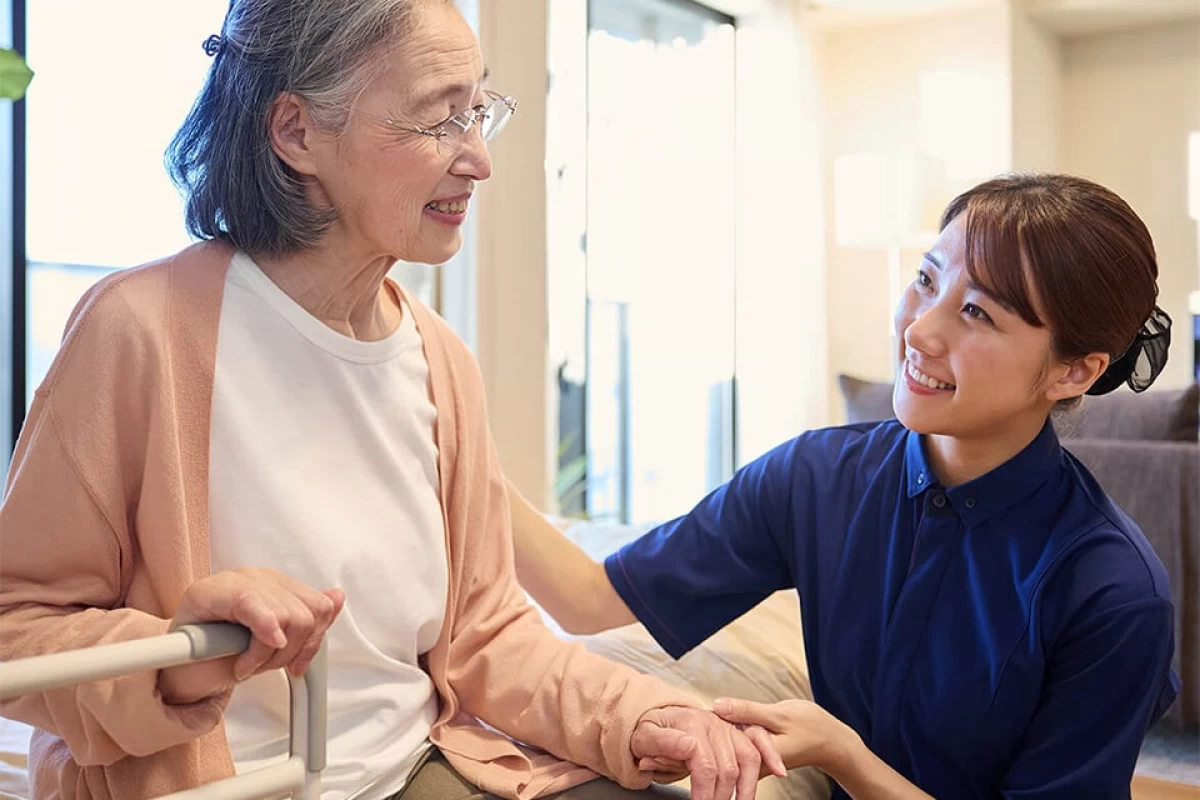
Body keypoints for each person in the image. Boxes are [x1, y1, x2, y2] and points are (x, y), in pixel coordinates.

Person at [0, 2, 785, 799]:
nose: (479, 159)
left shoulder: (441, 361)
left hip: (416, 768)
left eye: (477, 111)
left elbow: (486, 636)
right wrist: (181, 656)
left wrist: (643, 716)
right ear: (297, 132)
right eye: (438, 120)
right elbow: (14, 630)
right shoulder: (137, 332)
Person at [511, 173, 1181, 799]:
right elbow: (589, 600)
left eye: (977, 313)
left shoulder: (1114, 594)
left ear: (1073, 372)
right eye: (927, 279)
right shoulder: (817, 477)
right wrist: (458, 445)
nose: (919, 329)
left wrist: (844, 755)